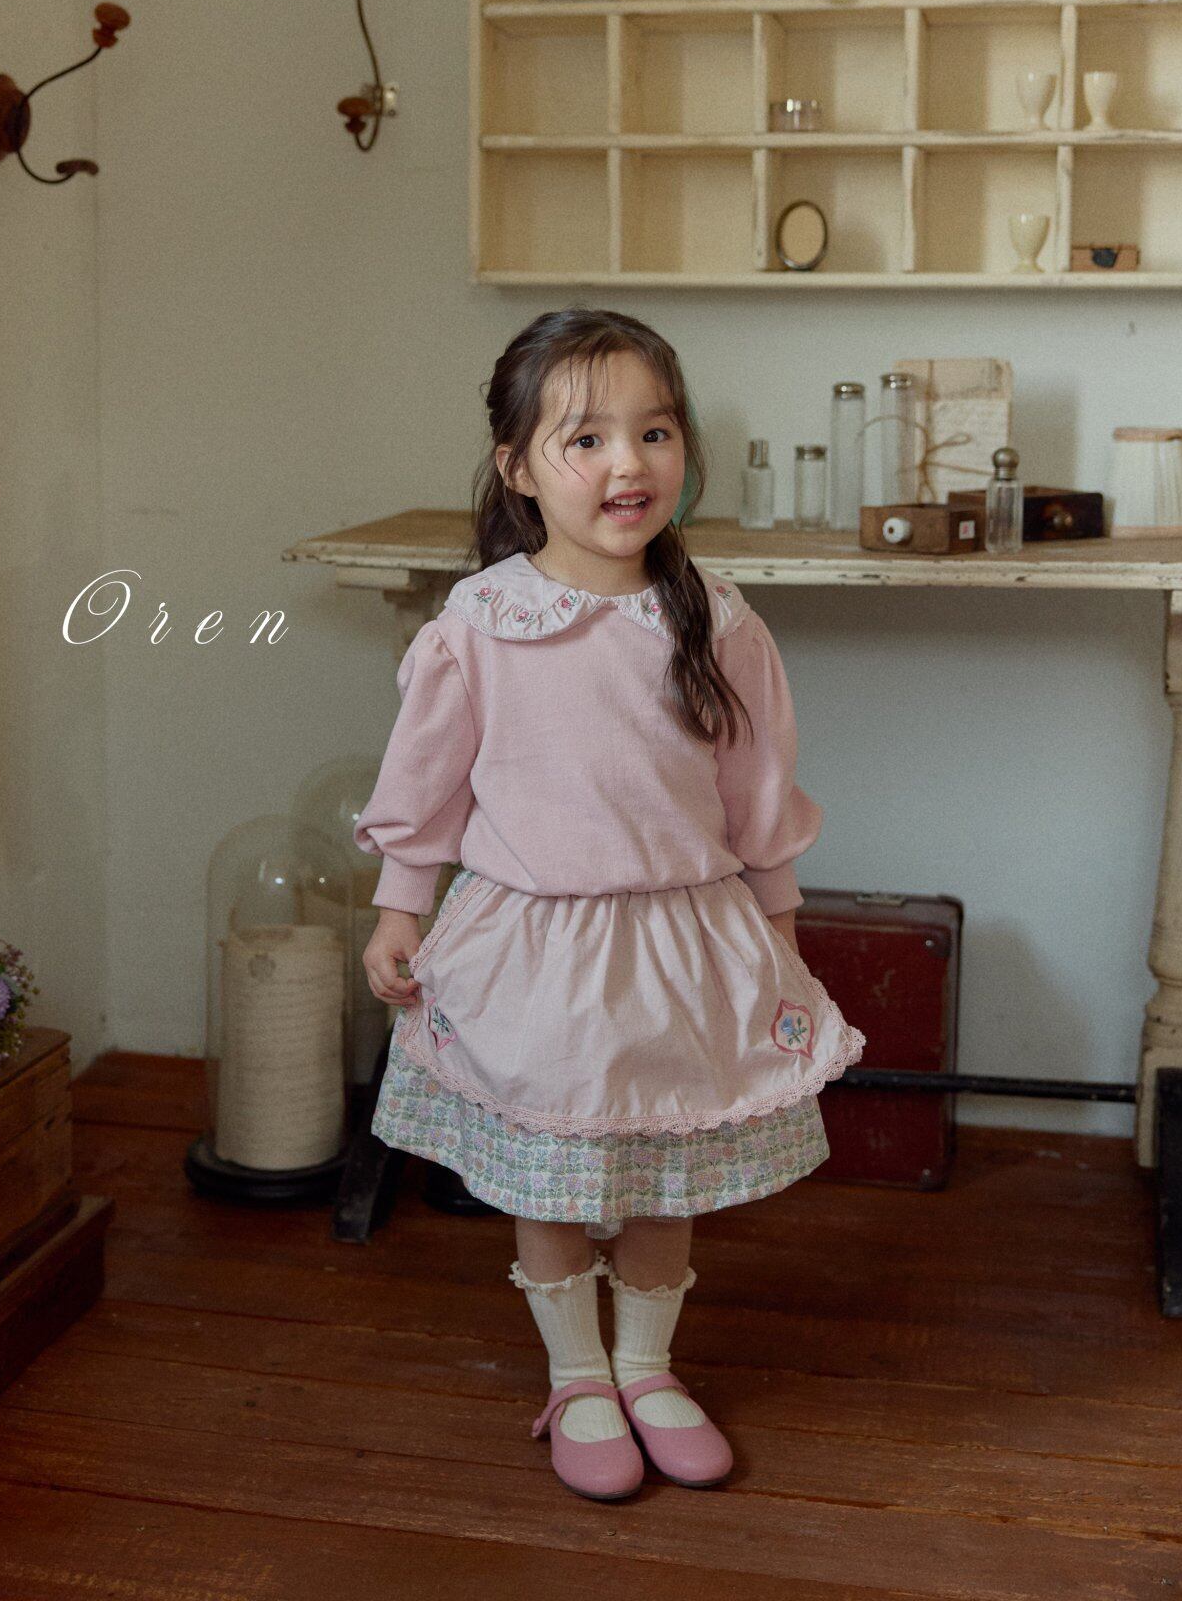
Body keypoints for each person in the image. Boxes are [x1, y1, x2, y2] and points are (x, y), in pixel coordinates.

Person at [353, 307, 866, 1502]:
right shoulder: (479, 625)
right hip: (535, 946)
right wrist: (398, 909)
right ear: (518, 468)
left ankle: (645, 1364)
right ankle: (576, 1375)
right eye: (584, 440)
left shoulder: (714, 618)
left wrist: (779, 934)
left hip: (682, 942)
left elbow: (755, 794)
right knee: (551, 1172)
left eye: (653, 432)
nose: (625, 463)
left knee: (659, 1166)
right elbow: (423, 787)